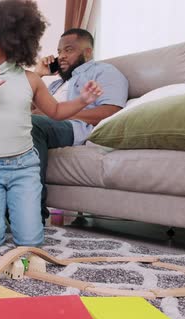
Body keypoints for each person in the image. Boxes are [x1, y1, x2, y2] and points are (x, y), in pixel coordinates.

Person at [0, 0, 103, 249]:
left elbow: (55, 111)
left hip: (24, 169)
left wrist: (83, 100)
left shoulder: (30, 79)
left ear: (6, 39)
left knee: (31, 243)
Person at [32, 28, 128, 220]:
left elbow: (111, 112)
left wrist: (58, 114)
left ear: (87, 52)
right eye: (59, 52)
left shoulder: (103, 71)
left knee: (32, 124)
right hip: (43, 123)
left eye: (68, 50)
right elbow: (23, 109)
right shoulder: (55, 84)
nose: (61, 57)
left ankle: (32, 214)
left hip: (73, 128)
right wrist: (37, 76)